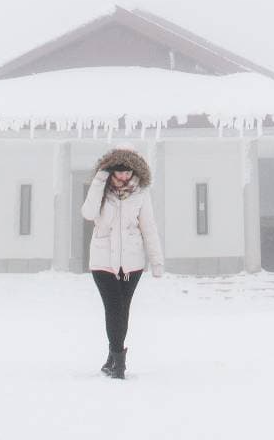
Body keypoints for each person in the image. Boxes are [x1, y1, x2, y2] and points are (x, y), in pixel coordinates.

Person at [81, 147, 164, 379]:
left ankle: (112, 358)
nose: (125, 177)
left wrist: (156, 260)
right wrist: (98, 181)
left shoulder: (140, 194)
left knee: (123, 310)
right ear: (111, 172)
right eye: (120, 172)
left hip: (131, 264)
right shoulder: (101, 191)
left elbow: (149, 227)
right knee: (114, 307)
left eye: (129, 172)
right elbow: (88, 213)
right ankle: (119, 363)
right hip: (103, 262)